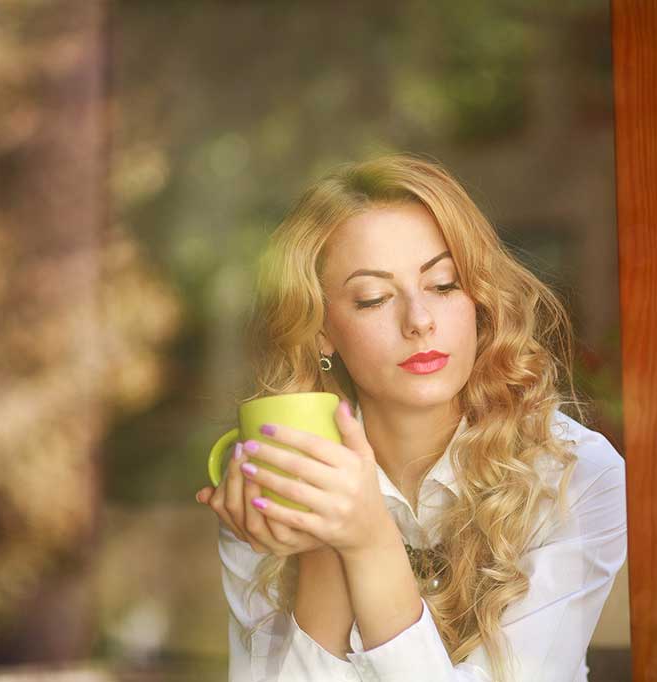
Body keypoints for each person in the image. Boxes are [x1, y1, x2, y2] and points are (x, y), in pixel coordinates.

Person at [194, 153, 627, 682]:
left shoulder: (576, 475)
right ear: (322, 330)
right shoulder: (277, 481)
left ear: (479, 300)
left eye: (444, 285)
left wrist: (369, 540)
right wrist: (325, 544)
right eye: (374, 299)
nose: (420, 321)